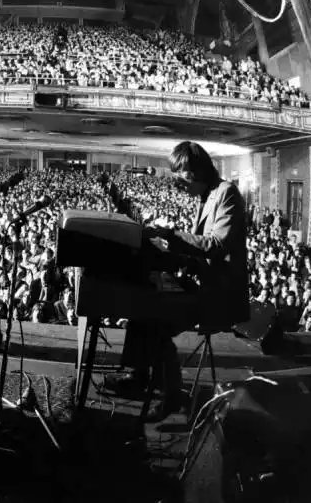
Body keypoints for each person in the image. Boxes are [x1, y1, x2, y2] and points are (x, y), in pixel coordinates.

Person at [105, 141, 249, 422]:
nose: (180, 185)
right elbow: (199, 253)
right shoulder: (206, 196)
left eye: (181, 177)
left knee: (156, 323)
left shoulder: (226, 193)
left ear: (195, 171)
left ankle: (172, 395)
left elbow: (216, 246)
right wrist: (167, 249)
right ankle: (138, 376)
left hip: (218, 296)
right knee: (142, 307)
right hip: (204, 285)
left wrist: (172, 236)